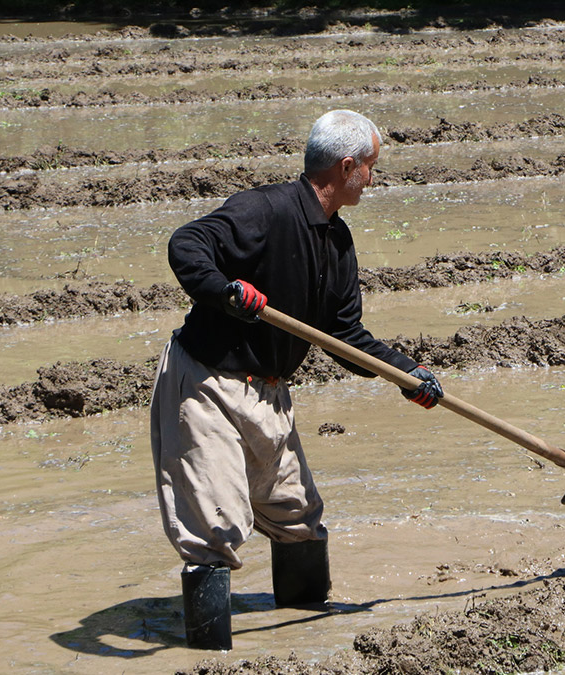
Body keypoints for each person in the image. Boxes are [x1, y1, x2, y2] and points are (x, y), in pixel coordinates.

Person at [149, 109, 443, 650]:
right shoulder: (262, 210)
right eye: (372, 167)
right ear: (347, 165)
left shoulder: (337, 243)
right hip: (208, 383)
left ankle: (305, 642)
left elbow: (345, 335)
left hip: (271, 390)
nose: (373, 178)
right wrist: (226, 291)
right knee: (214, 526)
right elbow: (186, 244)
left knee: (297, 516)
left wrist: (407, 375)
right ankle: (208, 660)